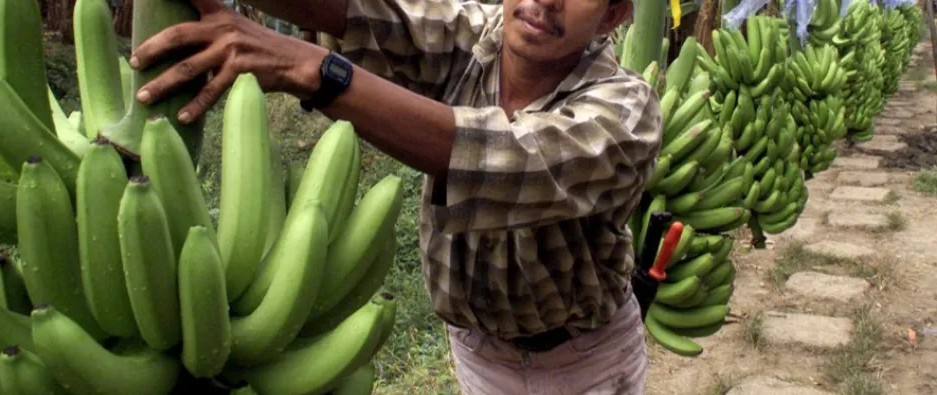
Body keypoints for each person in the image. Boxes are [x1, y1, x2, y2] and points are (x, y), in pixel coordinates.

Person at [127, 0, 663, 392]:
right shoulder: (475, 37)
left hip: (585, 363)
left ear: (613, 15)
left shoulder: (626, 112)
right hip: (478, 355)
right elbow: (363, 14)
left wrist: (312, 70)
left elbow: (504, 159)